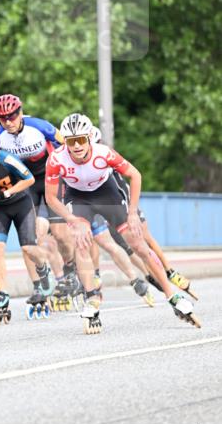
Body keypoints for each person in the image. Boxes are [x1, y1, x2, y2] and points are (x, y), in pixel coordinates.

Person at [45, 113, 200, 332]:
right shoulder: (56, 159)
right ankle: (92, 298)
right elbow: (51, 197)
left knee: (137, 244)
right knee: (80, 241)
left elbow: (135, 175)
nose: (77, 146)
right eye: (71, 141)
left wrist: (133, 212)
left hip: (107, 194)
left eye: (81, 139)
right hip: (79, 198)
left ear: (90, 137)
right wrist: (71, 219)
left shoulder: (103, 153)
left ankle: (172, 295)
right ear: (66, 143)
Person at [91, 126, 198, 301]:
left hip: (125, 205)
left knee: (146, 238)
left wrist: (132, 210)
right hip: (112, 212)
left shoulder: (106, 155)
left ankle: (170, 271)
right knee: (130, 248)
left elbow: (131, 178)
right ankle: (149, 275)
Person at [0, 94, 74, 296]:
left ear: (20, 112)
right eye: (3, 119)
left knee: (60, 234)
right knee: (31, 237)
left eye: (13, 116)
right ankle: (40, 284)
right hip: (26, 183)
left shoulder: (38, 126)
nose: (9, 122)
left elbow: (67, 147)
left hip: (50, 179)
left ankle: (71, 268)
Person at [0, 128, 55, 321]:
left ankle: (43, 268)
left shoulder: (7, 159)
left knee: (28, 249)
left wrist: (8, 192)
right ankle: (2, 293)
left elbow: (30, 179)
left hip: (21, 205)